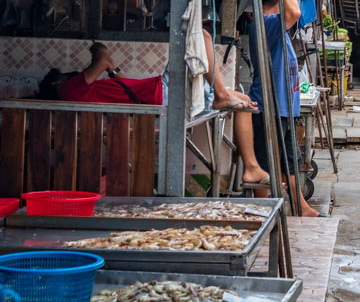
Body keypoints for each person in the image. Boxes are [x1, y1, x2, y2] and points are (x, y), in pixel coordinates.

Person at [39, 32, 271, 187]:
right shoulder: (68, 91)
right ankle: (221, 95)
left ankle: (251, 167)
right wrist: (99, 52)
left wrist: (111, 66)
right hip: (163, 94)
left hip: (159, 95)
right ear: (57, 83)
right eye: (64, 76)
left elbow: (120, 79)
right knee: (201, 35)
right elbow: (100, 60)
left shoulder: (85, 92)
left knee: (243, 102)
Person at [250, 0, 319, 217]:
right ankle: (263, 210)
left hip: (283, 106)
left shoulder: (273, 26)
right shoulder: (267, 23)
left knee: (289, 159)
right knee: (266, 161)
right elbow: (296, 13)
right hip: (269, 105)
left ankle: (299, 205)